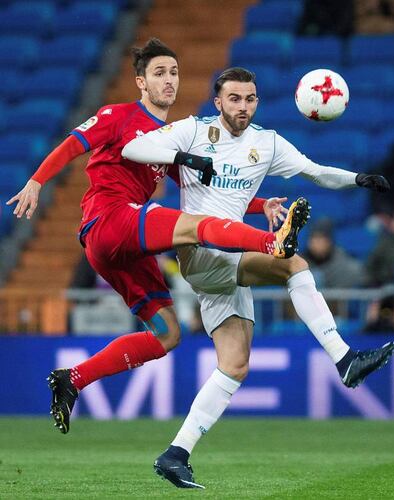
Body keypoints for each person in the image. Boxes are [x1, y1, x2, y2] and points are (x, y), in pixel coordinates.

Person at [6, 41, 308, 435]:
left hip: (120, 248)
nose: (169, 80)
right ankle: (272, 244)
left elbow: (206, 192)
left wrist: (264, 204)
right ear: (141, 82)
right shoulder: (118, 115)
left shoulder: (170, 136)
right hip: (109, 219)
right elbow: (71, 145)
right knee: (193, 225)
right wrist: (36, 181)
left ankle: (73, 379)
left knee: (168, 333)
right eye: (160, 73)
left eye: (174, 73)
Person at [122, 67, 394, 489]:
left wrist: (358, 180)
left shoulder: (265, 144)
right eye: (234, 99)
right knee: (293, 265)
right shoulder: (193, 132)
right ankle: (344, 358)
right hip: (200, 251)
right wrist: (181, 156)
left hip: (227, 264)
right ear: (218, 102)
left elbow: (315, 170)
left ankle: (175, 454)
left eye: (250, 99)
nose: (243, 107)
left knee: (234, 366)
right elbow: (133, 148)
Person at [303, 217, 366, 288]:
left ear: (330, 241)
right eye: (313, 238)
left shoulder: (348, 266)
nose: (316, 243)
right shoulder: (299, 264)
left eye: (321, 238)